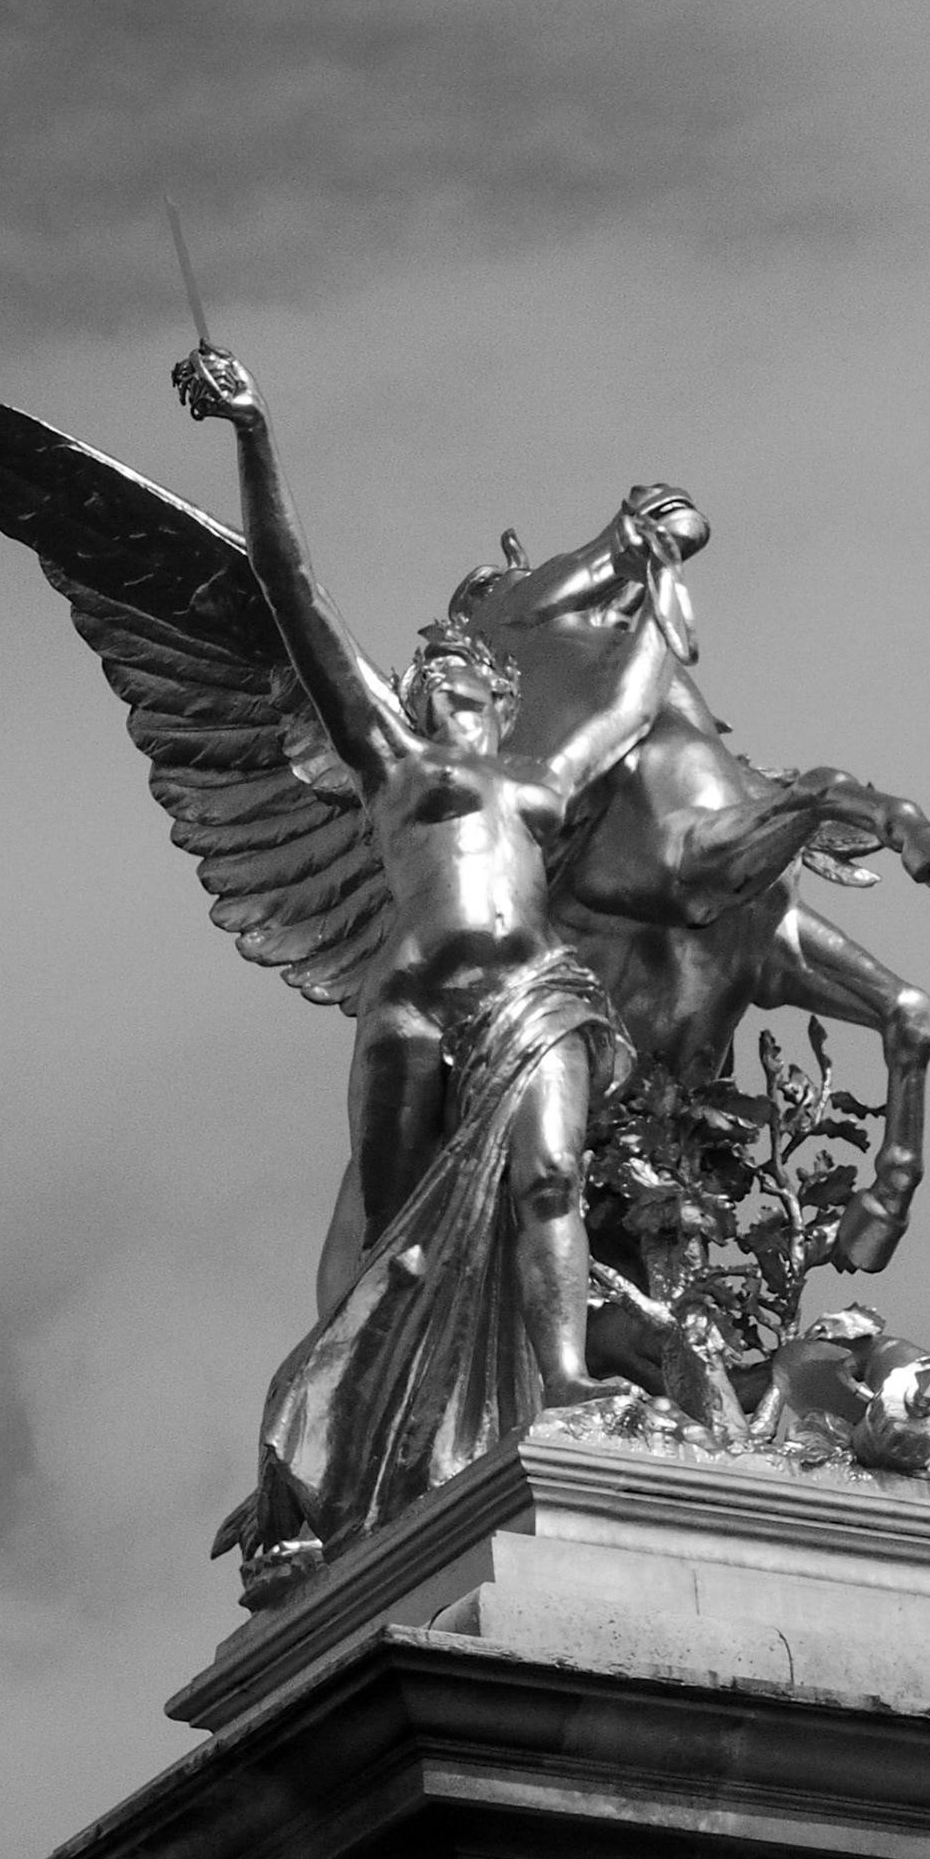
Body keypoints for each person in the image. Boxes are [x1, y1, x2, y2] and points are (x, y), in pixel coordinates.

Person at [175, 345, 681, 1547]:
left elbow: (632, 702)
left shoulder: (542, 779)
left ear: (501, 700)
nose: (441, 683)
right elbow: (291, 593)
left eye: (463, 674)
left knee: (551, 1180)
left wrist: (659, 571)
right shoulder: (393, 763)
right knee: (389, 1240)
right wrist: (253, 434)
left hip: (534, 995)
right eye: (428, 675)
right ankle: (331, 1451)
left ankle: (562, 1387)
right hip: (409, 1007)